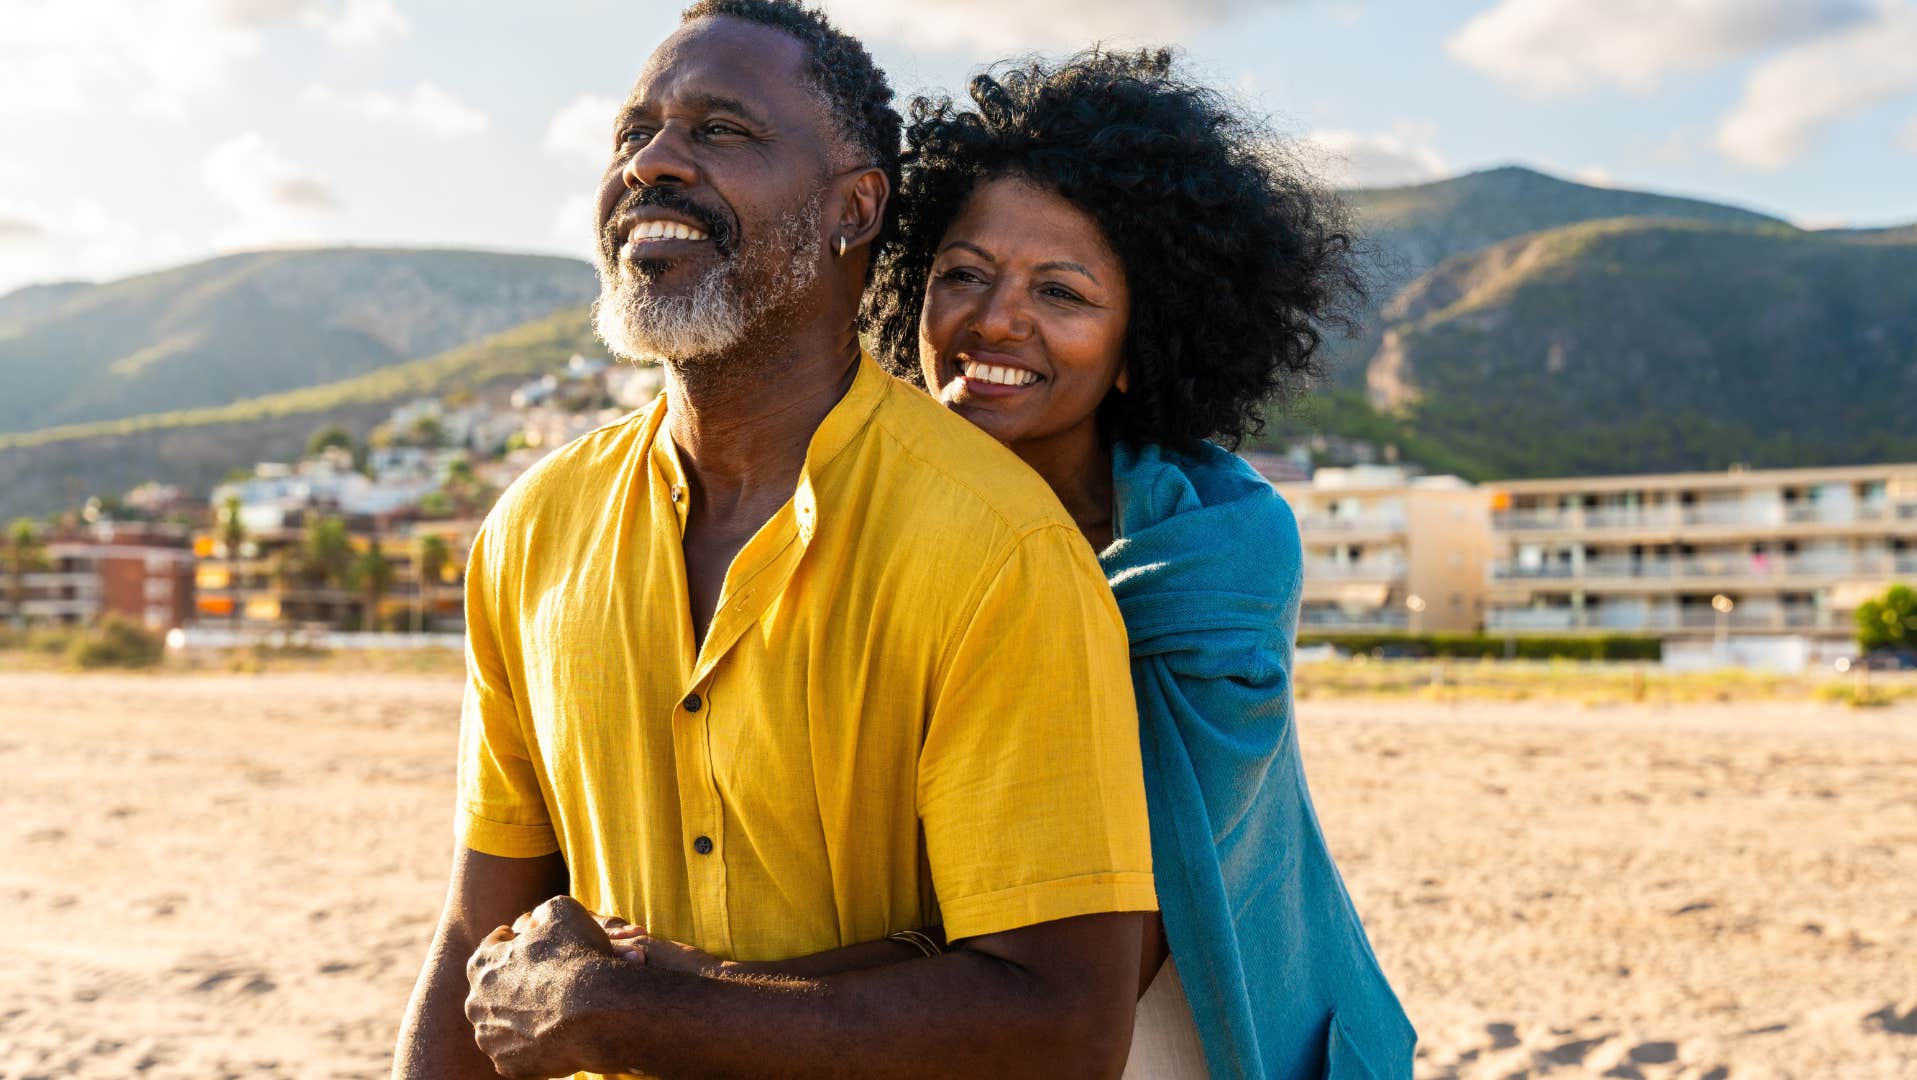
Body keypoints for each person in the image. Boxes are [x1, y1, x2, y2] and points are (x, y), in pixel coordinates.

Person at [389, 4, 1159, 1079]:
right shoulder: (534, 529)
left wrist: (641, 1012)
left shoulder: (1000, 550)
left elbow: (1063, 1022)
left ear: (855, 205)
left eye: (721, 132)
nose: (653, 162)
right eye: (632, 134)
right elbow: (481, 935)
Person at [868, 49, 1419, 1079]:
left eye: (1062, 293)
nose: (996, 319)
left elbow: (1103, 945)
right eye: (963, 275)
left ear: (1138, 345)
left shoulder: (1218, 546)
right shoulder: (874, 524)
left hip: (1194, 1035)